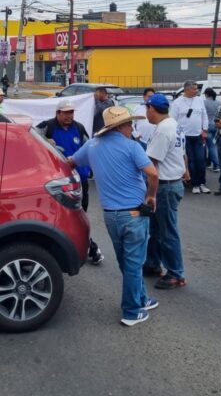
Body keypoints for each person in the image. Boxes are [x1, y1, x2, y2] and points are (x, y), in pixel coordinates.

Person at [70, 106, 159, 326]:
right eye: (129, 124)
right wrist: (151, 196)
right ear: (119, 126)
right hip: (134, 214)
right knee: (133, 263)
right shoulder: (132, 147)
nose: (132, 127)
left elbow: (70, 162)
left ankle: (140, 298)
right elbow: (152, 173)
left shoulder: (92, 145)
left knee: (126, 262)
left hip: (111, 215)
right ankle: (131, 310)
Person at [37, 100, 103, 265]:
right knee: (64, 217)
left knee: (80, 216)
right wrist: (45, 141)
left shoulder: (79, 128)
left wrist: (92, 170)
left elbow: (91, 147)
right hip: (57, 181)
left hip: (79, 180)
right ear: (58, 113)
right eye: (66, 113)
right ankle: (89, 248)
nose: (69, 116)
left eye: (71, 112)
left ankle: (85, 246)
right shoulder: (47, 127)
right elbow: (31, 141)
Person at [144, 94, 189, 290]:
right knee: (155, 229)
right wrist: (186, 171)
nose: (146, 113)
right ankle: (153, 263)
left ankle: (175, 273)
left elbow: (151, 165)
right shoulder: (174, 124)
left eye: (147, 109)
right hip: (173, 181)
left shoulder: (163, 130)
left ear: (152, 109)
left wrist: (149, 193)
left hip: (165, 185)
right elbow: (182, 153)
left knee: (167, 232)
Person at [171, 81, 210, 194]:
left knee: (201, 160)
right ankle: (195, 184)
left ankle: (202, 183)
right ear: (187, 89)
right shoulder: (177, 102)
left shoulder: (199, 100)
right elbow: (173, 120)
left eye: (197, 89)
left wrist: (205, 129)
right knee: (190, 161)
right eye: (194, 89)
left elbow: (204, 115)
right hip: (184, 137)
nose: (196, 91)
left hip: (198, 135)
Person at [203, 88, 221, 172]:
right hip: (217, 125)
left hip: (208, 126)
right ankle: (209, 163)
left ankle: (216, 165)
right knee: (214, 145)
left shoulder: (204, 103)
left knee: (211, 146)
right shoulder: (219, 103)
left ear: (206, 94)